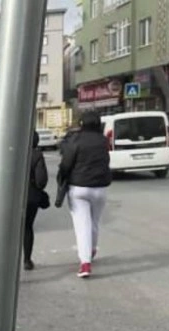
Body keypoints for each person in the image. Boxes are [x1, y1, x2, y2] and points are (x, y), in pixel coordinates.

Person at [57, 111, 112, 278]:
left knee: (82, 225)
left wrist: (62, 177)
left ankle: (85, 263)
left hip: (78, 188)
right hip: (100, 188)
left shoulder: (76, 140)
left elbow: (66, 163)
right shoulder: (103, 141)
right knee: (94, 222)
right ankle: (92, 249)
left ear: (82, 123)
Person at [23, 131, 48, 271]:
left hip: (11, 198)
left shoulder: (10, 153)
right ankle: (27, 260)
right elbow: (41, 181)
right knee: (27, 227)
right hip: (30, 197)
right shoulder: (37, 155)